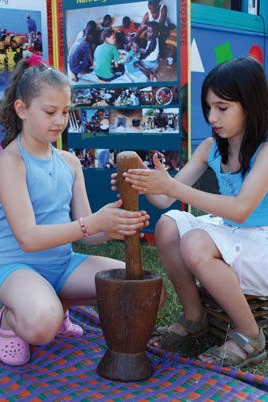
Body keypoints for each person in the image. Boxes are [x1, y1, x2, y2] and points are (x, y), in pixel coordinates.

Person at [117, 57, 268, 368]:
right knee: (168, 225)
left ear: (251, 104)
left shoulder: (265, 151)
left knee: (195, 241)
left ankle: (250, 335)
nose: (212, 116)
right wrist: (141, 181)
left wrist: (172, 188)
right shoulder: (211, 148)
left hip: (261, 241)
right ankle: (194, 316)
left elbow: (240, 210)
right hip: (234, 234)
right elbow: (163, 200)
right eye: (208, 107)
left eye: (222, 107)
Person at [0, 54, 149, 366]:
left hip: (63, 264)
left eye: (65, 112)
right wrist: (90, 223)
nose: (60, 120)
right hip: (15, 268)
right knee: (41, 326)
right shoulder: (10, 162)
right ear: (22, 109)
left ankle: (57, 306)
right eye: (50, 112)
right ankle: (8, 321)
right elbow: (27, 238)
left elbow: (86, 232)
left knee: (138, 289)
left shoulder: (69, 161)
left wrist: (112, 225)